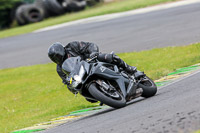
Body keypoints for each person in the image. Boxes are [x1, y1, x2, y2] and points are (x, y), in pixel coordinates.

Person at [48, 41, 137, 101]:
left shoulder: (72, 46)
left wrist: (93, 52)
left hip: (92, 61)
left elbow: (90, 45)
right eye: (55, 58)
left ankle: (128, 68)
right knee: (89, 98)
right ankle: (106, 94)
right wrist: (71, 87)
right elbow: (67, 81)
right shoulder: (60, 69)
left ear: (62, 51)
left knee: (109, 57)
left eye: (58, 56)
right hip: (82, 76)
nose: (57, 59)